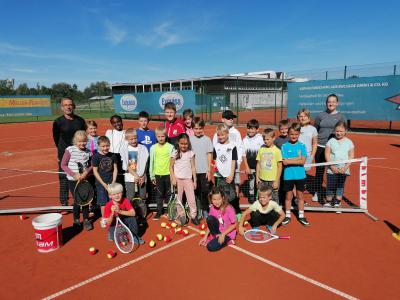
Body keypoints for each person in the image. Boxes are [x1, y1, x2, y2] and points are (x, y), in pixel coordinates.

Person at [52, 97, 86, 206]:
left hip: (79, 154)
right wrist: (61, 152)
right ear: (62, 107)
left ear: (74, 106)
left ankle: (82, 199)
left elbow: (83, 137)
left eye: (70, 104)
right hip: (64, 154)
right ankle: (64, 202)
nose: (68, 107)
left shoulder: (80, 121)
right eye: (65, 105)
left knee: (80, 176)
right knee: (63, 178)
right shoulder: (58, 122)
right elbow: (56, 138)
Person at [313, 94, 347, 204]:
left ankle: (334, 195)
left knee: (333, 172)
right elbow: (315, 130)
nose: (331, 103)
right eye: (329, 101)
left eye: (333, 101)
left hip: (334, 149)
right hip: (320, 146)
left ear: (337, 103)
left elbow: (343, 132)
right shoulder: (320, 116)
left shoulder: (341, 117)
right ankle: (318, 191)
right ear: (326, 103)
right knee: (319, 170)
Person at [212, 110, 246, 214]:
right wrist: (215, 166)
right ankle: (224, 211)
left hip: (232, 170)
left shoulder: (236, 134)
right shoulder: (216, 139)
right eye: (228, 117)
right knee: (221, 193)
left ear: (227, 134)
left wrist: (237, 165)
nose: (231, 119)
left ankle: (236, 211)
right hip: (220, 174)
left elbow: (238, 151)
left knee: (233, 192)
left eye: (232, 117)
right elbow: (215, 155)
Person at [60, 130, 93, 231]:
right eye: (79, 141)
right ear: (75, 141)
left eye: (84, 141)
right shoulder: (70, 150)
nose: (82, 143)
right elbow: (63, 165)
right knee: (77, 201)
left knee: (86, 200)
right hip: (73, 180)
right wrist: (74, 175)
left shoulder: (88, 152)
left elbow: (91, 165)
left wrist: (86, 172)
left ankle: (86, 220)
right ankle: (77, 220)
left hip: (84, 180)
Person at [281, 123, 310, 226]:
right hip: (288, 175)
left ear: (299, 134)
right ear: (288, 134)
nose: (294, 136)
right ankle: (287, 215)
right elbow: (284, 162)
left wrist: (290, 160)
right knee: (288, 196)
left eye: (296, 134)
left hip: (300, 176)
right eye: (292, 134)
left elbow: (302, 161)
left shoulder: (302, 146)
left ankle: (301, 216)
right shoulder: (284, 146)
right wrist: (297, 159)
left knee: (300, 196)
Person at [120, 128, 149, 220]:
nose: (133, 141)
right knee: (130, 196)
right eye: (131, 139)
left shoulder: (143, 148)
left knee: (142, 196)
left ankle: (142, 213)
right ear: (127, 139)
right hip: (130, 177)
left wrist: (142, 176)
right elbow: (126, 166)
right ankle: (129, 213)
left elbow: (145, 164)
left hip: (141, 178)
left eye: (135, 138)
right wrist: (135, 175)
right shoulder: (124, 149)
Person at [169, 133, 198, 225]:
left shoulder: (191, 153)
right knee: (179, 199)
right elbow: (170, 167)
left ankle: (193, 215)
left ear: (188, 143)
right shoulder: (175, 153)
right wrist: (173, 178)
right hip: (178, 180)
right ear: (178, 143)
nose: (184, 146)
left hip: (188, 179)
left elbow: (193, 167)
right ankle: (181, 216)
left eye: (185, 144)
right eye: (182, 143)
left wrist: (195, 180)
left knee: (192, 199)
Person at [324, 121, 354, 207]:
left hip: (344, 169)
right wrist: (332, 166)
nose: (339, 133)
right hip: (331, 169)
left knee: (340, 186)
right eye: (337, 131)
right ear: (334, 131)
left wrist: (345, 167)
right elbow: (327, 154)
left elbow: (351, 156)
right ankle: (329, 201)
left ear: (345, 131)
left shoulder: (349, 142)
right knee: (330, 185)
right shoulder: (331, 141)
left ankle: (337, 201)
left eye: (341, 131)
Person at [199, 186, 237, 252]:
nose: (217, 202)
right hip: (218, 231)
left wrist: (223, 234)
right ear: (211, 200)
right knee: (209, 218)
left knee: (210, 247)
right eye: (214, 199)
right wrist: (205, 236)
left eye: (219, 199)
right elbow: (210, 223)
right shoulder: (212, 208)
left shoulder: (229, 208)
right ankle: (215, 237)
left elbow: (234, 224)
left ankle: (228, 240)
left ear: (223, 198)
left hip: (227, 233)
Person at [189, 117, 213, 218]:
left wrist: (209, 170)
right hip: (192, 172)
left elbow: (209, 155)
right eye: (196, 128)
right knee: (195, 192)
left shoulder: (207, 140)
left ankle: (205, 209)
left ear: (203, 128)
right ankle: (197, 210)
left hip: (204, 171)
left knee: (204, 192)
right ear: (192, 129)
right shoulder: (189, 139)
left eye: (200, 128)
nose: (198, 131)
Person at [92, 136, 118, 228]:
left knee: (112, 201)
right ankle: (104, 218)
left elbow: (115, 169)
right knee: (103, 202)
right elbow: (95, 171)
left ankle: (112, 217)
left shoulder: (113, 156)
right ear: (98, 146)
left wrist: (113, 181)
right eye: (103, 146)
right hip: (101, 184)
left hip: (112, 183)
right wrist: (103, 183)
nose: (105, 148)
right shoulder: (95, 157)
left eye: (107, 146)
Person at [213, 124, 239, 213]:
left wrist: (231, 174)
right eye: (218, 135)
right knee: (220, 195)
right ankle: (222, 212)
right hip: (219, 176)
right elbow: (215, 159)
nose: (220, 137)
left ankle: (236, 212)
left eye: (222, 135)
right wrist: (215, 168)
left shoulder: (232, 146)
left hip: (228, 175)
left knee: (231, 195)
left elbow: (233, 161)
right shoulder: (216, 146)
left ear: (227, 134)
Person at [149, 126, 174, 220]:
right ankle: (159, 212)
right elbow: (151, 162)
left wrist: (173, 175)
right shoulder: (153, 148)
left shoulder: (171, 147)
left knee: (168, 194)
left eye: (162, 136)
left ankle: (169, 211)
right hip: (158, 175)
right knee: (159, 194)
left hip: (168, 175)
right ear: (156, 137)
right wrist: (152, 176)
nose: (160, 138)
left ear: (166, 136)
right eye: (158, 136)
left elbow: (173, 162)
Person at [256, 128, 282, 204]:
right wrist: (257, 178)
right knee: (262, 199)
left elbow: (280, 167)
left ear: (273, 138)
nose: (266, 141)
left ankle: (275, 215)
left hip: (273, 180)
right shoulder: (261, 149)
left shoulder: (277, 151)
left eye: (268, 139)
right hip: (262, 180)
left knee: (274, 200)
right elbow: (258, 164)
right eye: (264, 139)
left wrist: (277, 180)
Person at [243, 119, 265, 203]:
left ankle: (260, 196)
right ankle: (251, 195)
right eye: (249, 128)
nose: (250, 130)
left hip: (260, 165)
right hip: (250, 166)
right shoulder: (245, 140)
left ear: (257, 129)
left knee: (259, 181)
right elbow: (244, 154)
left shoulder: (261, 138)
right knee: (251, 182)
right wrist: (247, 167)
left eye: (253, 129)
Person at [105, 115, 126, 186]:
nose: (117, 124)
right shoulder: (109, 132)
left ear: (121, 122)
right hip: (111, 156)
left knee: (121, 177)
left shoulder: (126, 132)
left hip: (122, 158)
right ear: (112, 124)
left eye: (118, 122)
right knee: (112, 177)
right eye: (114, 122)